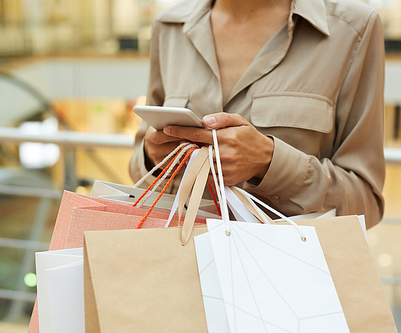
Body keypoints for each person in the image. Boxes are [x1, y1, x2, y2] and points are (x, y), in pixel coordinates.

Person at [129, 0, 385, 229]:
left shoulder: (354, 28)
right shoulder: (169, 26)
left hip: (286, 272)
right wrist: (154, 157)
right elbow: (139, 164)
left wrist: (269, 163)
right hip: (178, 264)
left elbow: (367, 205)